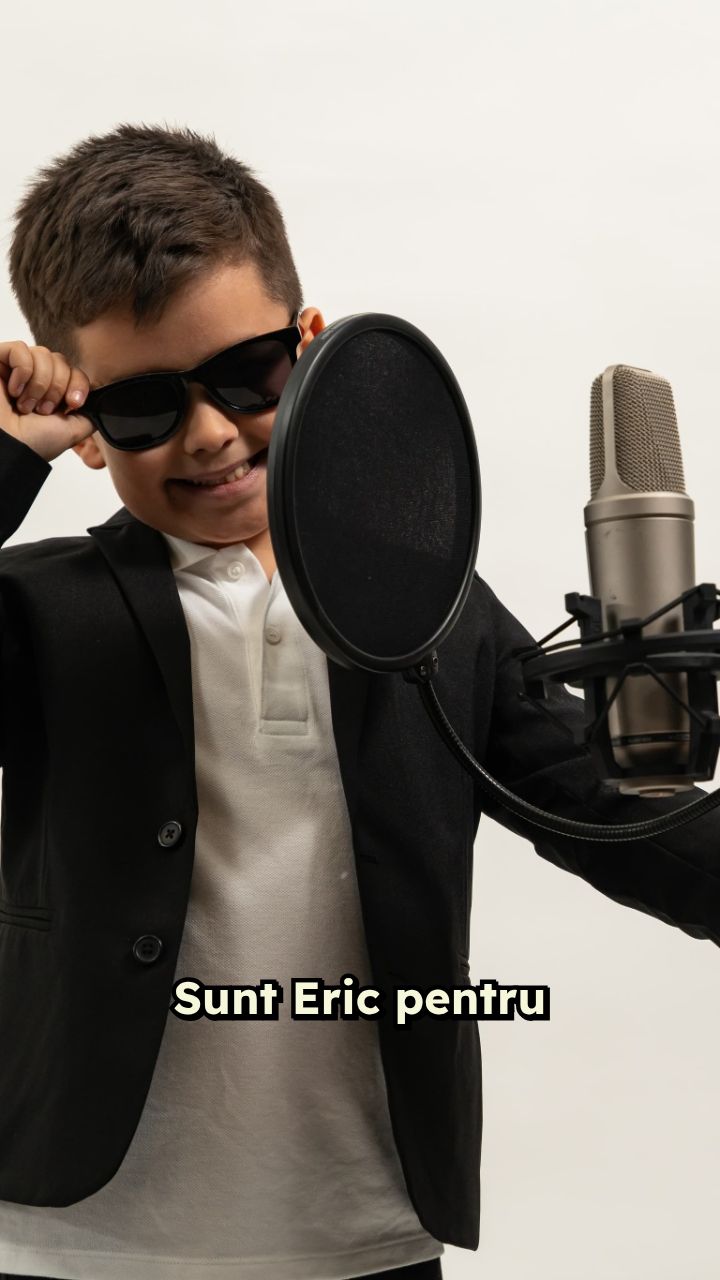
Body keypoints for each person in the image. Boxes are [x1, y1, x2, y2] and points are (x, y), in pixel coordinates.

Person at [0, 123, 718, 1280]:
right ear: (83, 419)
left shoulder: (429, 602)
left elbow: (612, 816)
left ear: (314, 351)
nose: (210, 432)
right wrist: (6, 453)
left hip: (360, 1228)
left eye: (247, 375)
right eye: (141, 406)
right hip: (82, 1241)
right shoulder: (41, 610)